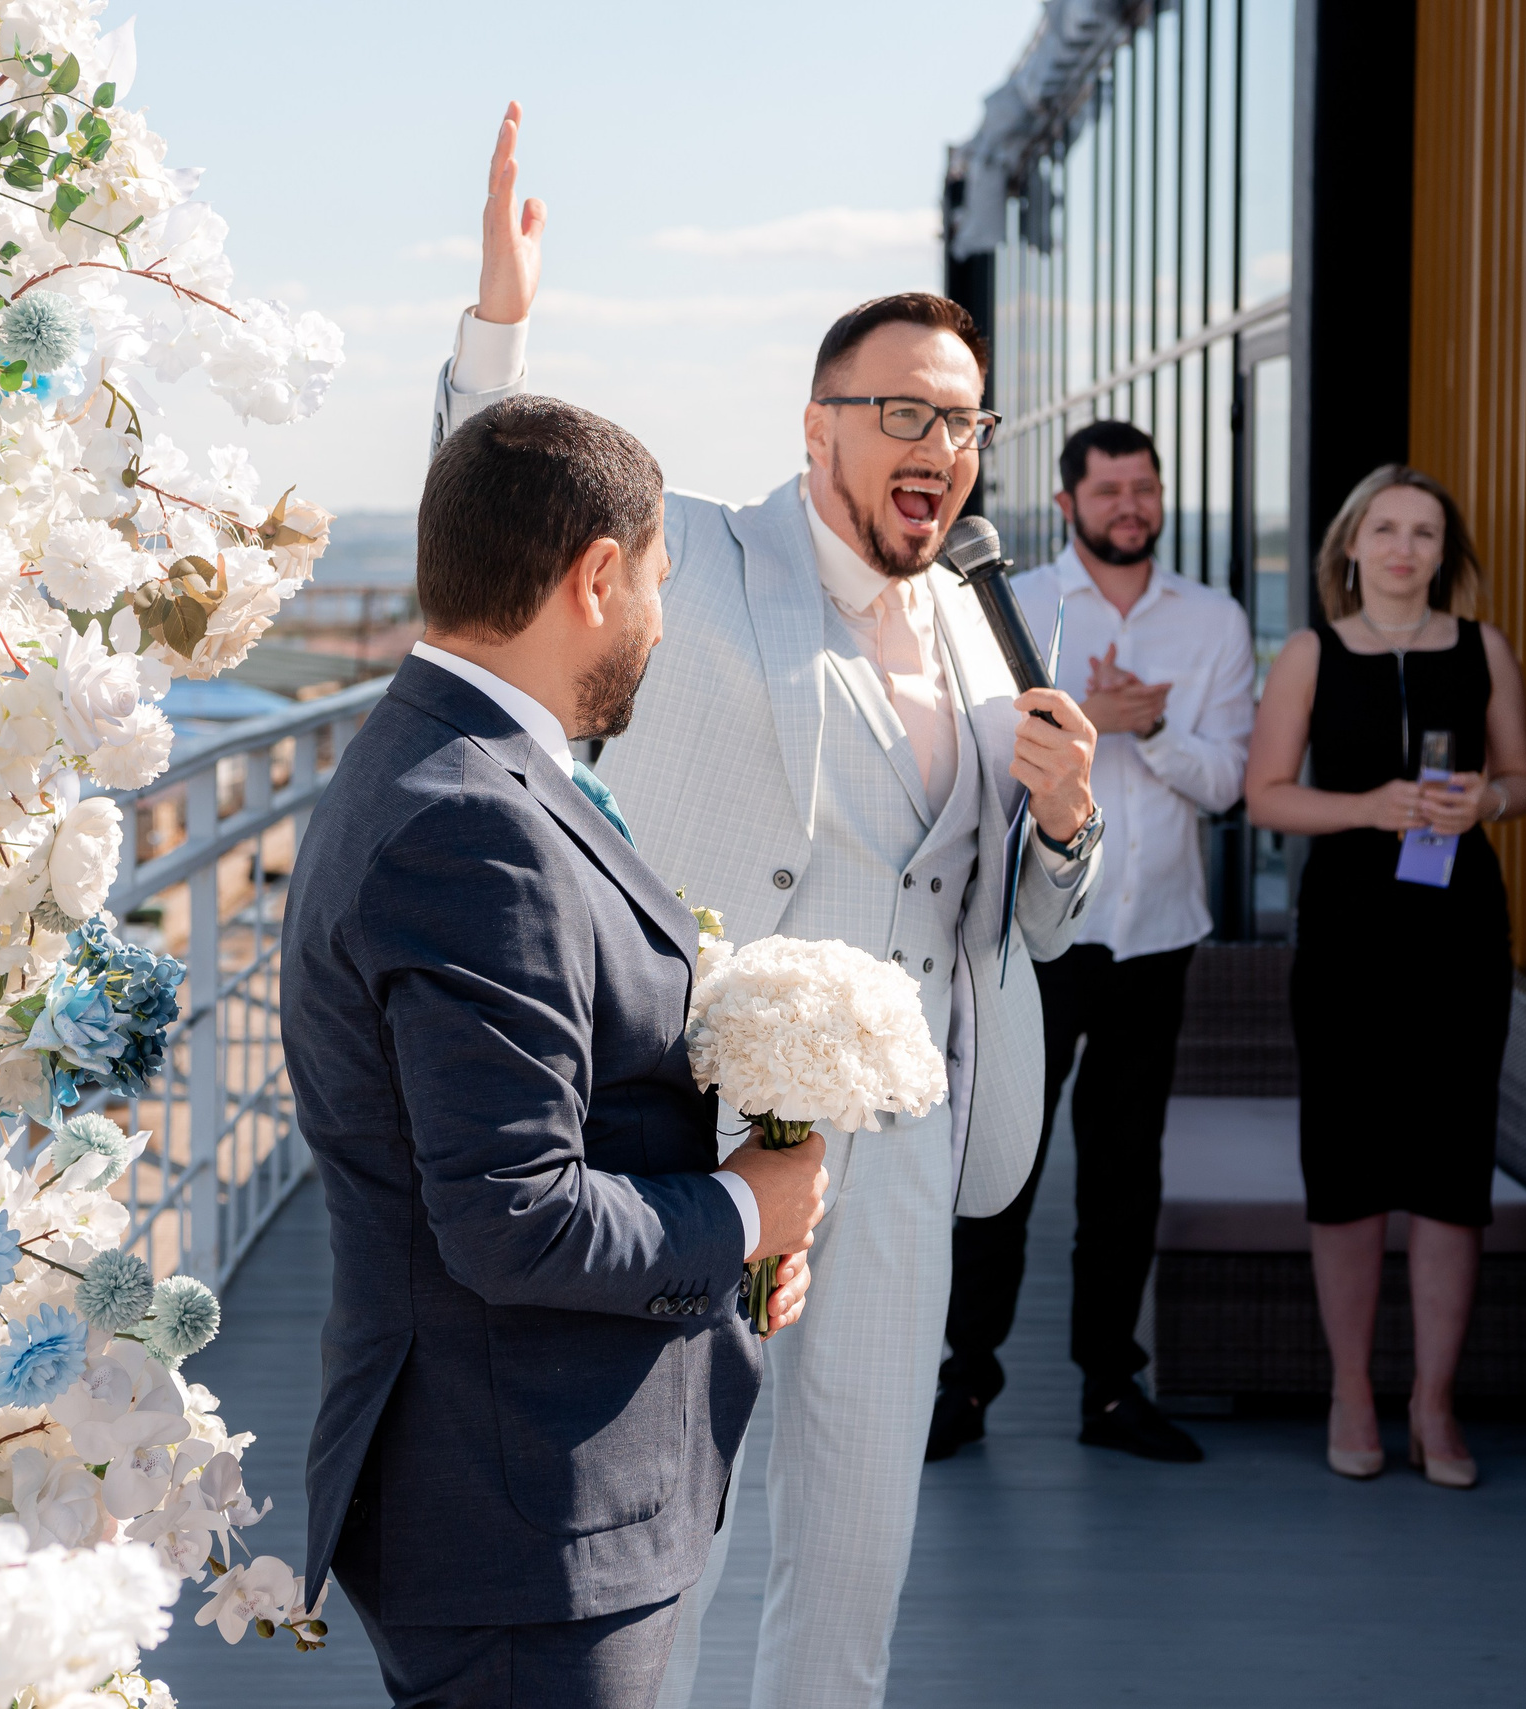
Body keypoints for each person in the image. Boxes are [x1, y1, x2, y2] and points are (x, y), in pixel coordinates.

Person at [433, 106, 1102, 1709]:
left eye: (962, 418)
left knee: (861, 1533)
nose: (937, 442)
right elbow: (499, 517)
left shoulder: (988, 622)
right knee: (682, 1524)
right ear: (818, 430)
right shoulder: (710, 561)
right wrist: (497, 325)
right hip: (704, 1129)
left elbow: (1028, 917)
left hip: (912, 1127)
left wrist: (1066, 826)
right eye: (899, 411)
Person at [282, 391, 831, 1709]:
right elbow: (512, 1216)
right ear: (595, 575)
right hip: (524, 1516)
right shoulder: (472, 823)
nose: (657, 619)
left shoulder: (457, 764)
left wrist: (726, 1248)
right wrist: (745, 1211)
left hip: (514, 1494)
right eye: (653, 583)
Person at [928, 419, 1254, 1464]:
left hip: (1155, 933)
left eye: (1143, 487)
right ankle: (962, 1379)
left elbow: (1229, 781)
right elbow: (980, 760)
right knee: (1005, 1159)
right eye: (1108, 488)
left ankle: (1112, 1388)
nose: (1129, 505)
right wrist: (1093, 720)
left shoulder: (1213, 622)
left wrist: (1144, 728)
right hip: (1036, 932)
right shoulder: (1015, 607)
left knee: (1125, 1169)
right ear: (1068, 502)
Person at [1243, 464, 1526, 1490]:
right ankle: (1355, 1389)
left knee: (1453, 1165)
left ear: (1441, 551)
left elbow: (1522, 778)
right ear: (1352, 545)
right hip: (1349, 933)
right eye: (1386, 528)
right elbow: (1266, 797)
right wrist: (1373, 807)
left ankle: (1435, 1400)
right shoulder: (1310, 655)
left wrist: (1484, 806)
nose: (1405, 547)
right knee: (1349, 1157)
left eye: (1424, 530)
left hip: (1460, 931)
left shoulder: (1480, 646)